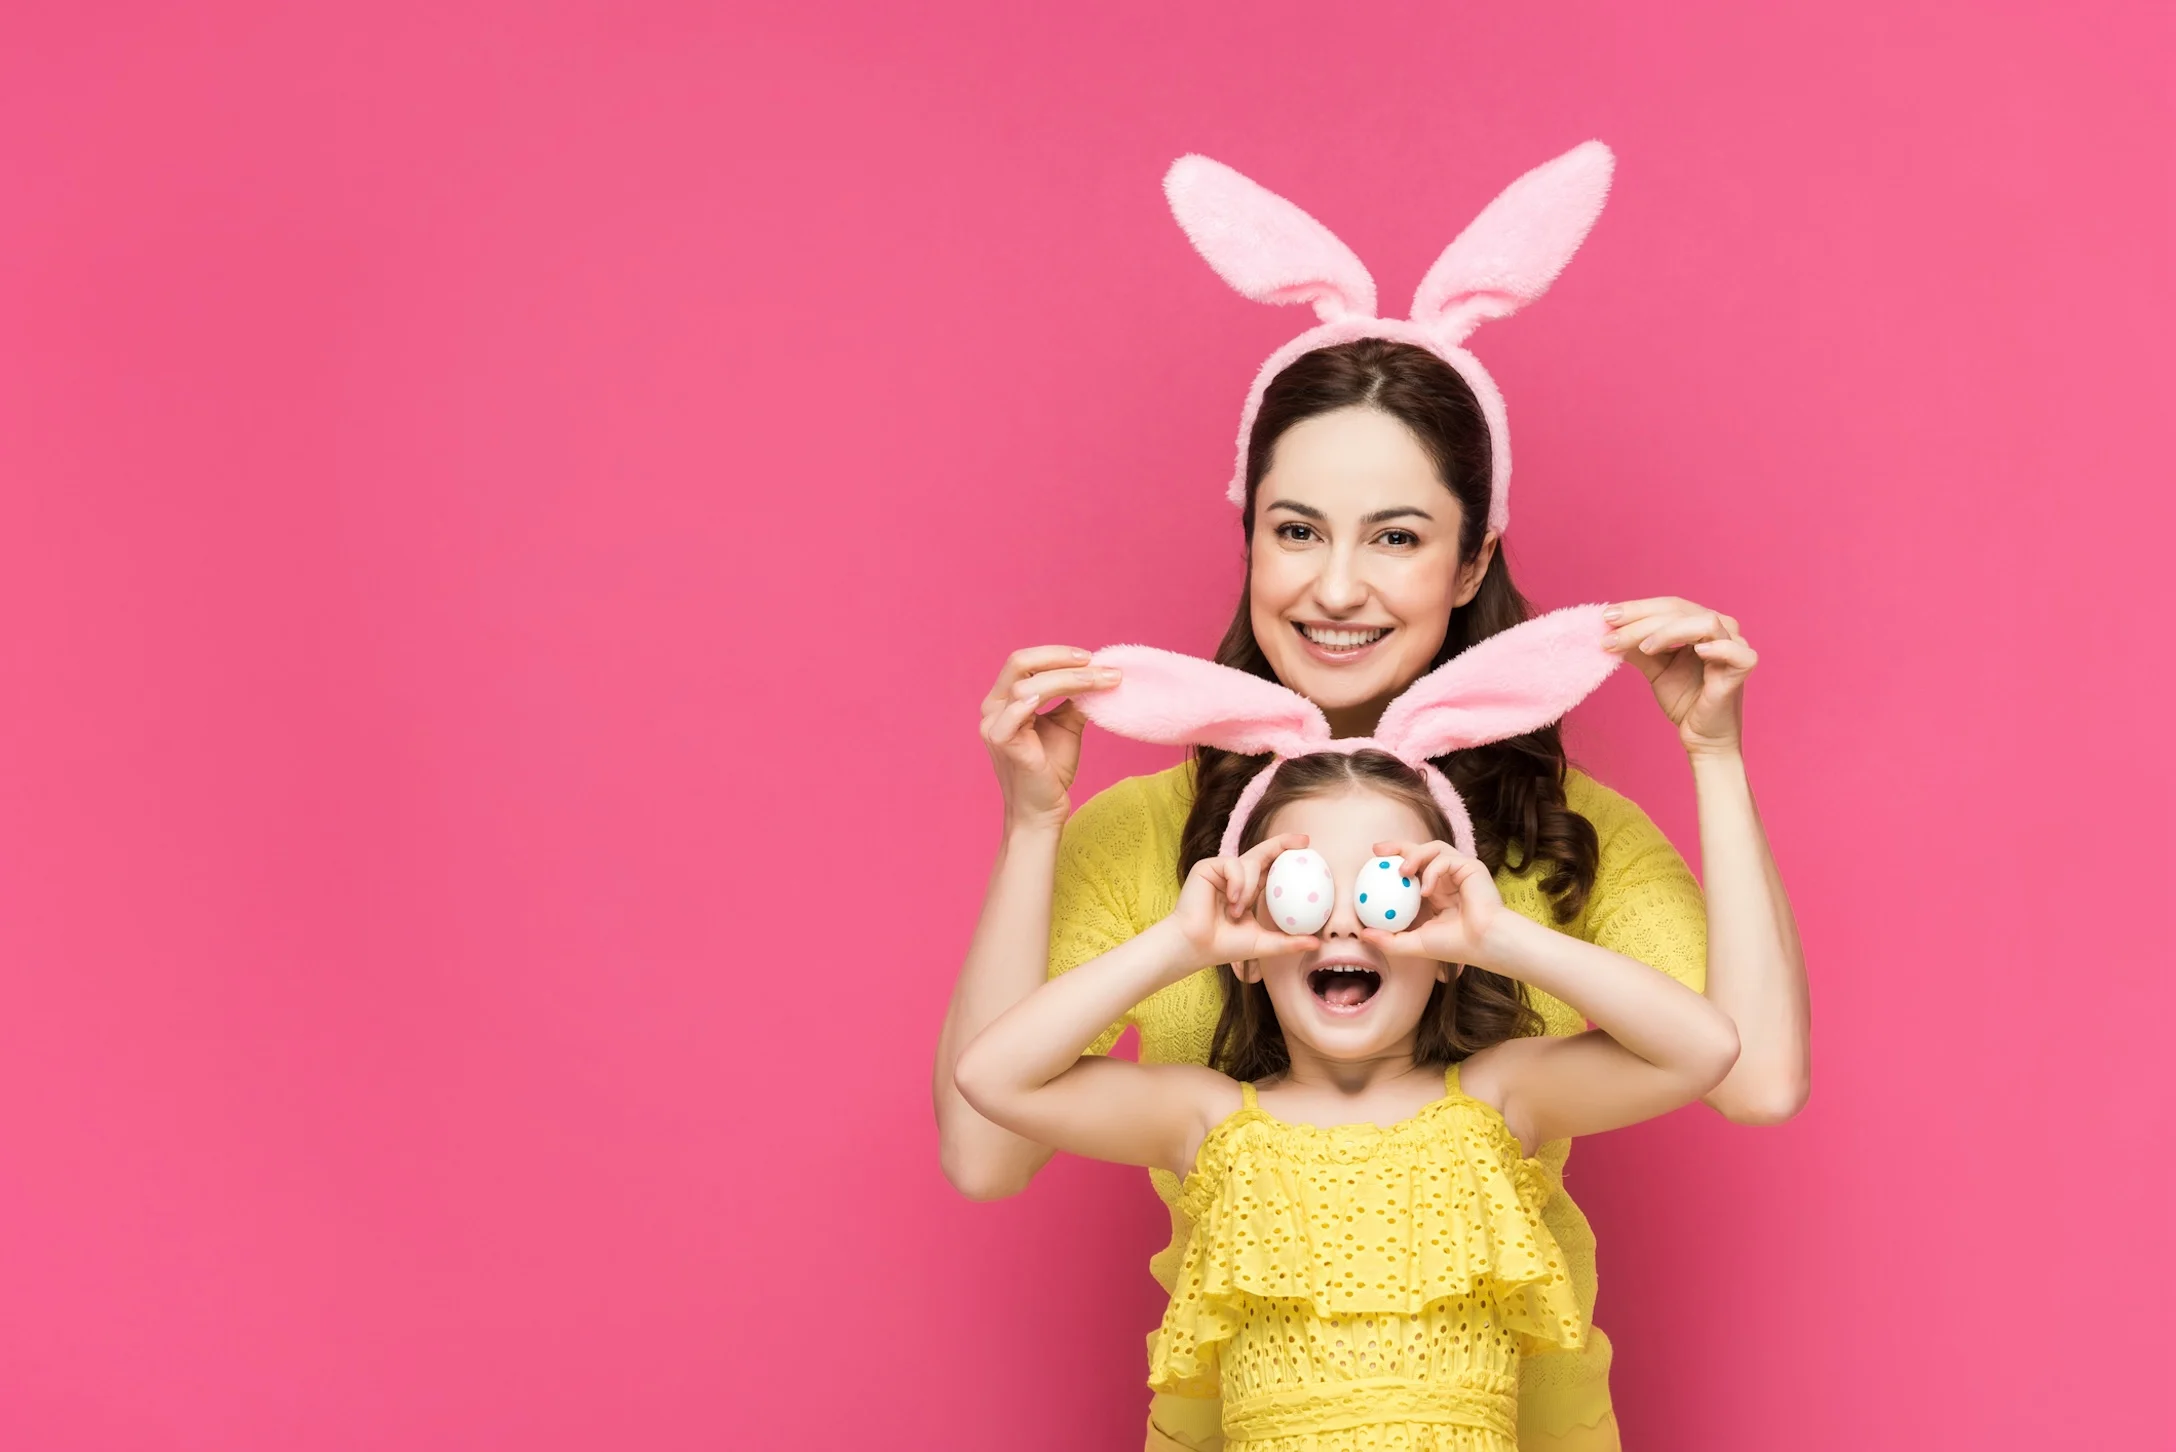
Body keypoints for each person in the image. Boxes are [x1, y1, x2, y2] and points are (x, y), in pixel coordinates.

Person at [935, 145, 1809, 1451]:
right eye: (1297, 531)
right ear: (1249, 537)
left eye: (1395, 536)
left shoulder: (1554, 836)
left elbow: (1757, 1079)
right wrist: (1031, 825)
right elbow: (983, 1151)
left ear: (1472, 563)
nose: (1336, 588)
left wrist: (1717, 760)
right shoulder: (1160, 847)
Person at [954, 739, 1741, 1452]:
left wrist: (1498, 936)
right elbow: (993, 1076)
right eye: (1302, 889)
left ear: (1446, 950)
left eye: (1382, 891)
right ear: (1251, 952)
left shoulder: (1501, 1100)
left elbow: (1704, 1048)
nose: (1340, 925)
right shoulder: (1208, 1121)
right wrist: (1180, 943)